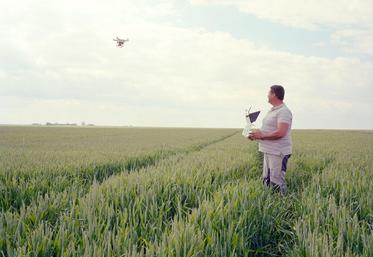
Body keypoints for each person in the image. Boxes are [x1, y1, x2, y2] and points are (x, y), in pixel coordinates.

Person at [249, 85, 292, 195]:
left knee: (276, 182)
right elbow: (267, 130)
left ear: (274, 94)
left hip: (278, 152)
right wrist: (255, 134)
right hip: (269, 150)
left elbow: (280, 132)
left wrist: (261, 136)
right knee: (267, 180)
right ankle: (270, 204)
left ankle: (284, 206)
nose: (267, 95)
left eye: (269, 93)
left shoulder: (283, 111)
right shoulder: (272, 111)